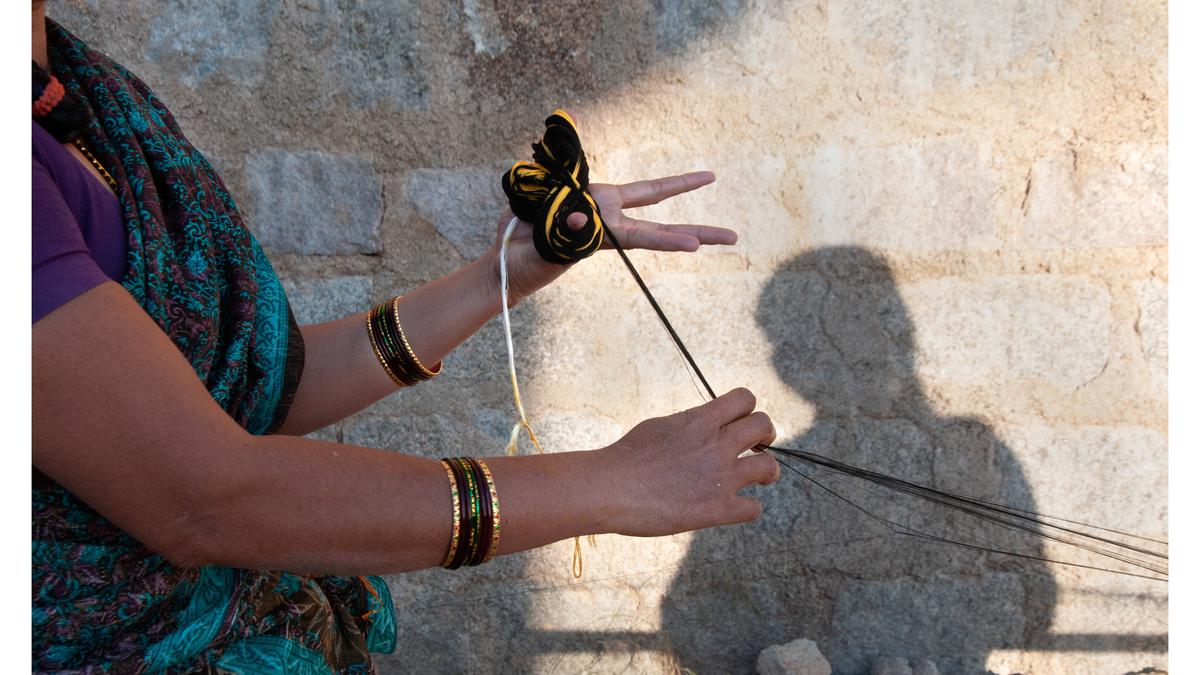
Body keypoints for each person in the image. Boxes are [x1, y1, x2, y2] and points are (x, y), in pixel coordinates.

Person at [31, 3, 779, 672]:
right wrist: (610, 484)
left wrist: (505, 276)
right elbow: (206, 499)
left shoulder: (80, 89)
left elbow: (260, 391)